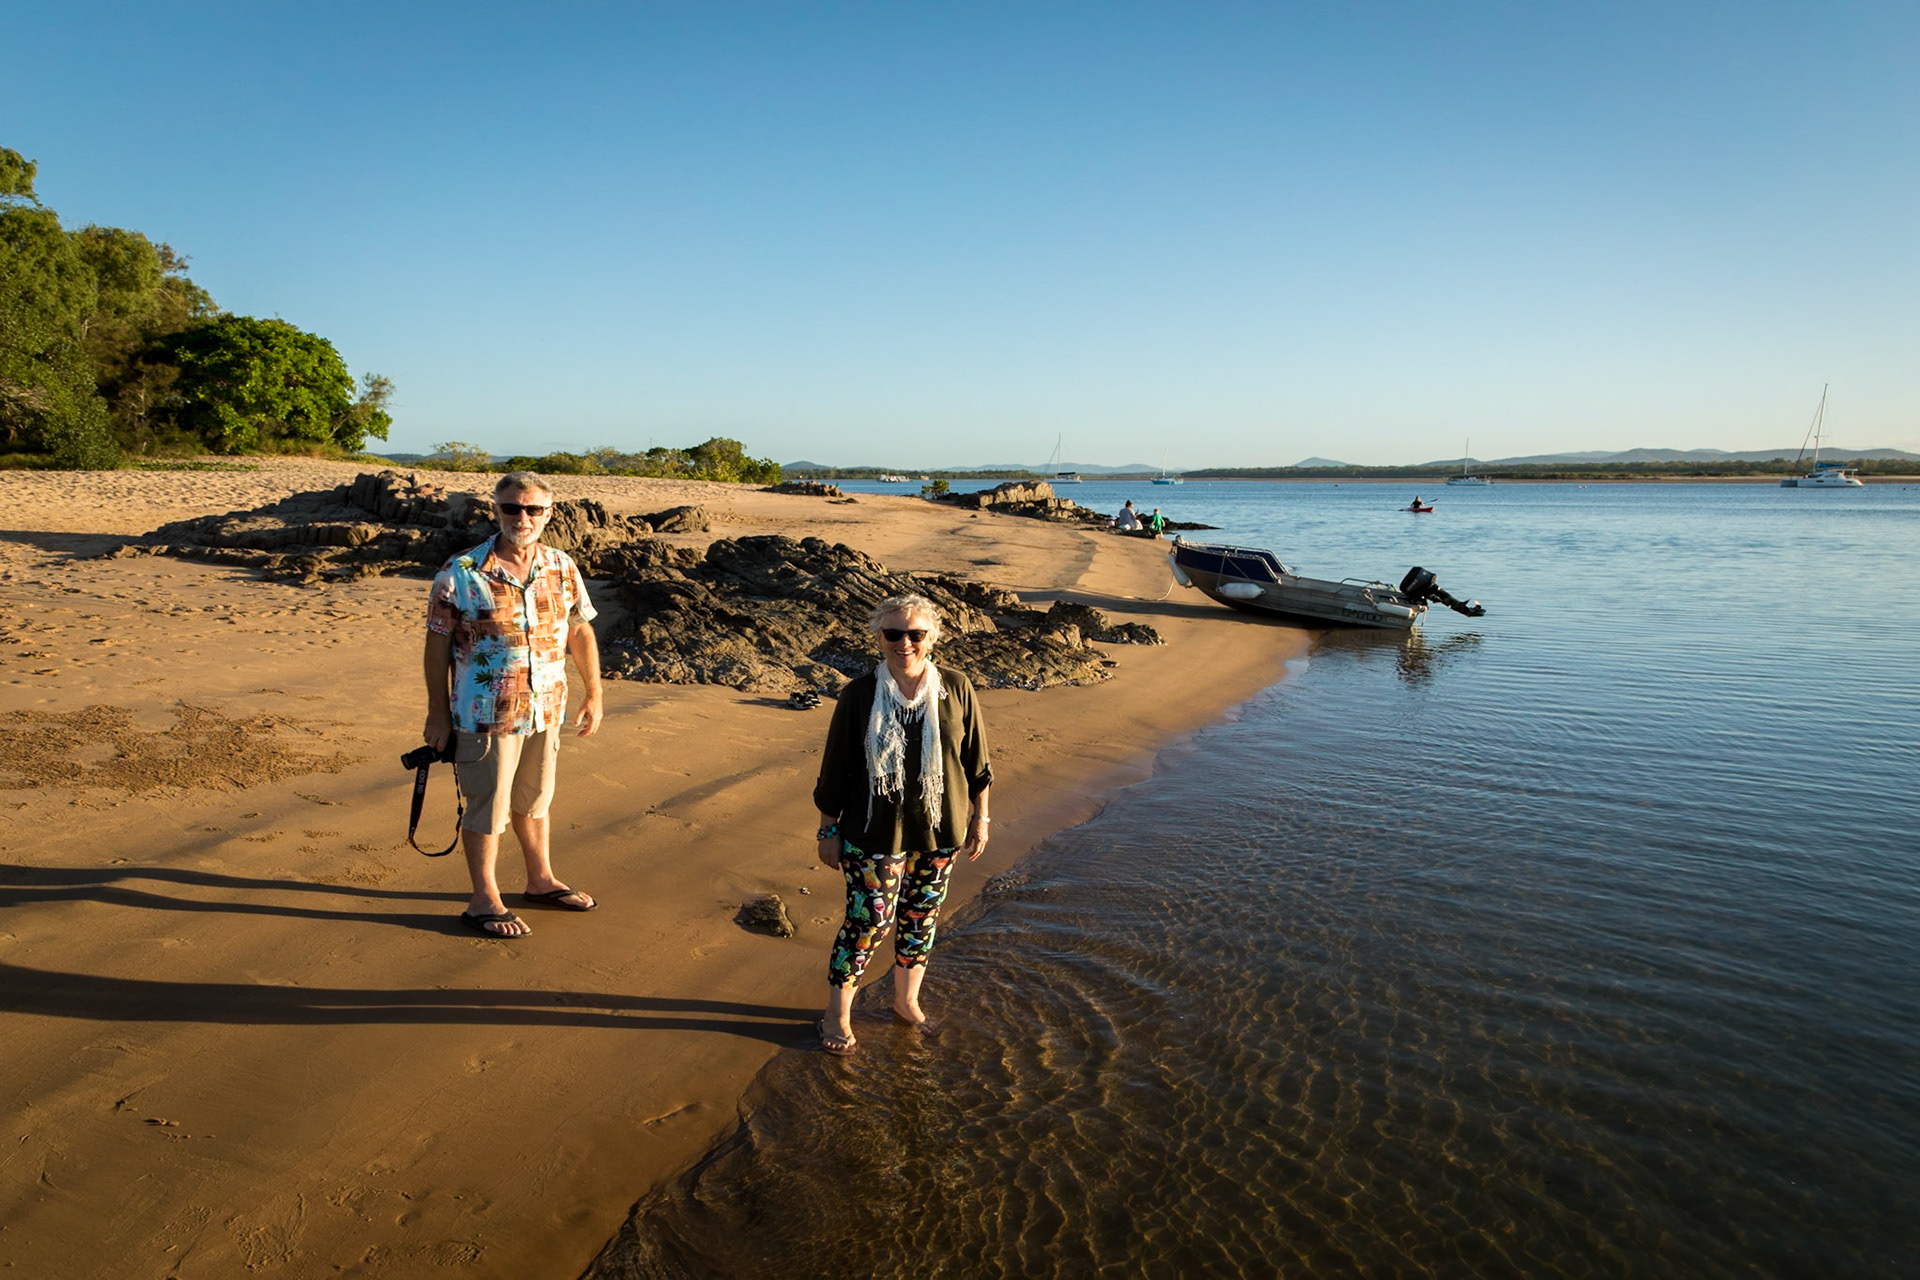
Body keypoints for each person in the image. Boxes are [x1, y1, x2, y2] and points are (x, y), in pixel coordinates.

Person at [423, 471, 605, 938]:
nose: (521, 518)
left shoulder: (562, 566)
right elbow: (437, 645)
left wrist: (594, 692)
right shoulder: (460, 571)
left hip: (547, 707)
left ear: (549, 513)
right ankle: (483, 898)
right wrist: (438, 714)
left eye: (532, 509)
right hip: (486, 713)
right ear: (496, 510)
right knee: (488, 804)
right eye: (511, 508)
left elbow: (580, 630)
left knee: (535, 799)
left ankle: (540, 880)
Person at [812, 594, 992, 1055]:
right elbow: (835, 769)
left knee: (920, 920)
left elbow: (977, 763)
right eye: (893, 633)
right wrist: (828, 829)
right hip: (874, 833)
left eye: (915, 634)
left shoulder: (957, 687)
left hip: (940, 830)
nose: (904, 642)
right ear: (878, 637)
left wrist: (981, 817)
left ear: (932, 638)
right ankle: (837, 1013)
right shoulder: (857, 696)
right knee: (869, 921)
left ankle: (906, 1002)